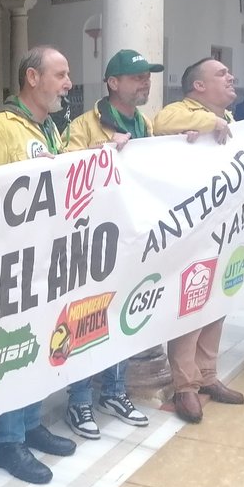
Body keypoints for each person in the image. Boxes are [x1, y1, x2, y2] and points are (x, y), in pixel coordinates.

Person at [0, 46, 81, 482]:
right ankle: (7, 442)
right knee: (15, 350)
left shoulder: (49, 127)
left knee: (42, 342)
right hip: (11, 265)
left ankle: (31, 425)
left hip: (49, 259)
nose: (68, 83)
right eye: (61, 74)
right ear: (32, 78)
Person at [60, 49, 156, 438]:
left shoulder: (146, 125)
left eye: (147, 77)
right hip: (91, 240)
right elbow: (62, 169)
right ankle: (79, 400)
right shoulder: (85, 125)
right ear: (113, 83)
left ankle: (114, 391)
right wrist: (101, 152)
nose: (145, 83)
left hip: (130, 237)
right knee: (87, 317)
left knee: (121, 314)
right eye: (137, 77)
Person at [152, 59, 244, 422]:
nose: (231, 77)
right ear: (199, 86)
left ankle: (208, 375)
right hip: (192, 230)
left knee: (218, 300)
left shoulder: (234, 121)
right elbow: (162, 124)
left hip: (227, 227)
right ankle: (185, 386)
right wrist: (210, 123)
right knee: (191, 303)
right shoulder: (182, 112)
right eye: (222, 74)